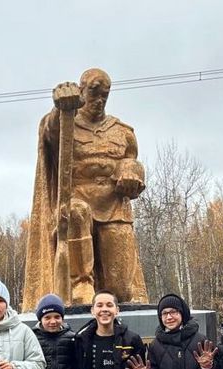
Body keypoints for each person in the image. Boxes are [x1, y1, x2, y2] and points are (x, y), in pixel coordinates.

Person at [23, 67, 149, 307]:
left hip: (114, 208)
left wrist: (132, 171)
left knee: (121, 291)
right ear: (82, 91)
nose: (99, 99)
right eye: (94, 92)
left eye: (105, 94)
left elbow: (131, 160)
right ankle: (81, 283)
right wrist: (61, 107)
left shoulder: (123, 132)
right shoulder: (65, 122)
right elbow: (50, 134)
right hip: (78, 200)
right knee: (76, 212)